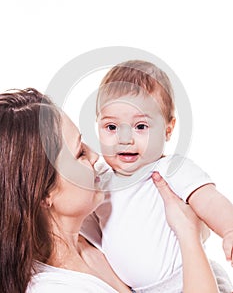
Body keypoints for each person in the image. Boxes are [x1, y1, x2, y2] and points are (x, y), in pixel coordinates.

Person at [0, 88, 223, 293]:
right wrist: (188, 235)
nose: (95, 156)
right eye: (80, 154)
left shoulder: (89, 239)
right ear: (44, 194)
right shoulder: (56, 288)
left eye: (84, 143)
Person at [81, 60, 233, 292]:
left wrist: (229, 229)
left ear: (168, 130)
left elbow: (208, 199)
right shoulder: (100, 179)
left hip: (185, 279)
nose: (124, 138)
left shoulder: (170, 169)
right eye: (111, 127)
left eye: (140, 126)